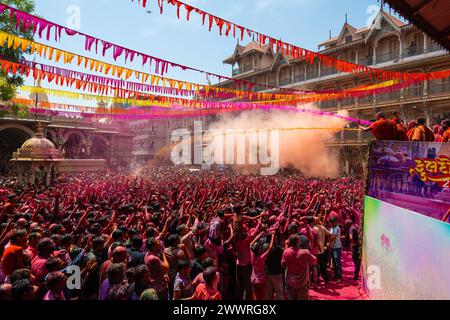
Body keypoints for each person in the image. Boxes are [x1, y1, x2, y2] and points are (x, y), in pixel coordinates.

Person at [281, 235, 317, 300]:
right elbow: (314, 260)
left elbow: (283, 265)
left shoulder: (286, 252)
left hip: (290, 282)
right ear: (298, 242)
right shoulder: (305, 252)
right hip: (302, 284)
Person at [249, 232, 275, 300]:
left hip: (253, 279)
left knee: (256, 297)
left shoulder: (252, 255)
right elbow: (270, 247)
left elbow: (250, 244)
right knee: (263, 297)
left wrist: (259, 235)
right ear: (258, 250)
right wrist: (272, 235)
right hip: (260, 280)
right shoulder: (261, 258)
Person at [329, 218, 343, 283]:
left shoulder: (337, 228)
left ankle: (339, 277)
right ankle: (336, 274)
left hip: (337, 247)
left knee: (337, 262)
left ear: (335, 222)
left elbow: (333, 237)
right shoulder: (332, 228)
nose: (331, 224)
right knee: (334, 262)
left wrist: (329, 244)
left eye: (332, 222)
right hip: (333, 247)